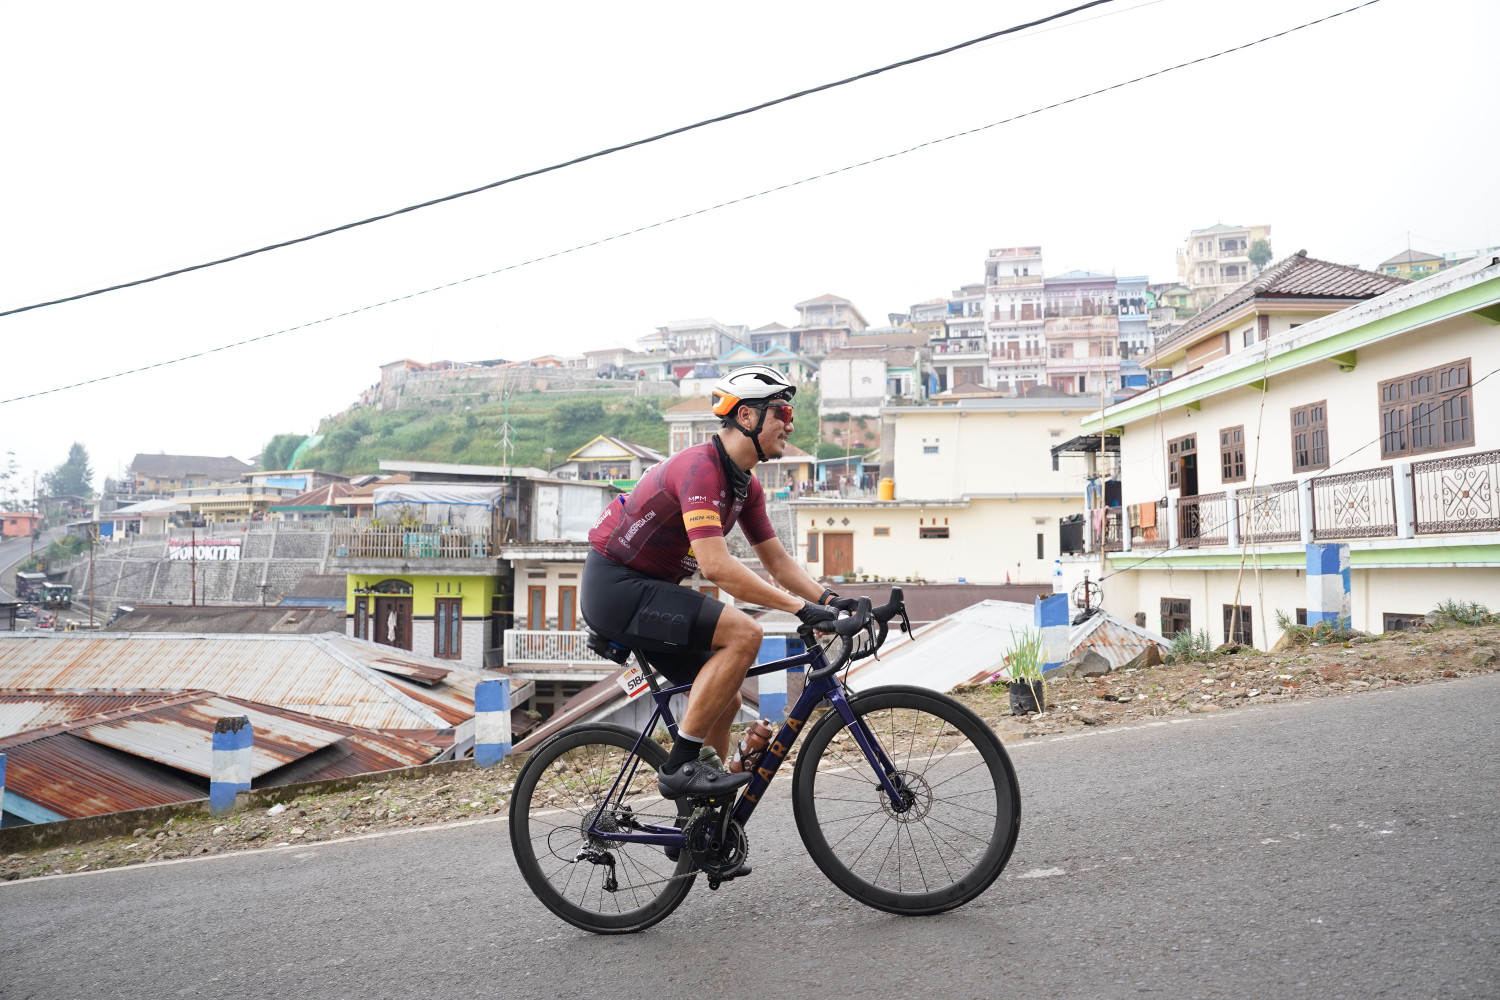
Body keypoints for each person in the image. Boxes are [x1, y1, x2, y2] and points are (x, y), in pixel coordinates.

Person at [581, 365, 853, 801]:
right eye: (782, 412)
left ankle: (704, 817)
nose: (790, 424)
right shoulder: (701, 469)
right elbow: (716, 567)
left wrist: (832, 600)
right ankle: (680, 768)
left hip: (649, 589)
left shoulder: (745, 486)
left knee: (726, 698)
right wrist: (800, 609)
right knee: (746, 632)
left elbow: (777, 561)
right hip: (617, 587)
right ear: (746, 416)